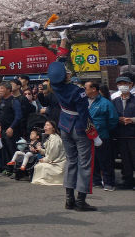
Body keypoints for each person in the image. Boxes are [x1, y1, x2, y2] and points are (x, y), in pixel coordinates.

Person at [48, 51, 101, 211]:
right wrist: (93, 133)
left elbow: (56, 68)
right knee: (84, 164)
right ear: (66, 76)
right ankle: (80, 200)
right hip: (79, 127)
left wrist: (63, 43)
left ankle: (69, 199)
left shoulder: (55, 86)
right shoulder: (78, 91)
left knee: (71, 162)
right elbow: (84, 115)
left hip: (64, 125)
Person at [85, 81, 118, 191]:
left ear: (94, 89)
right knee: (93, 160)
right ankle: (96, 181)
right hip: (88, 136)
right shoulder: (84, 102)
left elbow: (113, 120)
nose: (84, 90)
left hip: (102, 136)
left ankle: (109, 183)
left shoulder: (105, 103)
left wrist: (103, 129)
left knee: (105, 160)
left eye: (86, 88)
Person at [112, 75, 135, 190]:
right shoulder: (115, 101)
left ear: (131, 85)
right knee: (125, 159)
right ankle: (127, 181)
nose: (123, 86)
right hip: (120, 134)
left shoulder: (134, 100)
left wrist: (132, 120)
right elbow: (112, 116)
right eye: (120, 84)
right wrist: (119, 119)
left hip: (132, 134)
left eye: (125, 84)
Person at [0, 82, 23, 177]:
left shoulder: (14, 101)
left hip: (12, 130)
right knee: (4, 150)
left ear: (8, 90)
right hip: (2, 130)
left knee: (12, 150)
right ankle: (7, 169)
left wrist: (11, 127)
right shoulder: (2, 101)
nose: (0, 90)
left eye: (2, 88)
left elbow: (18, 116)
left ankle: (16, 170)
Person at [32, 121, 66, 186]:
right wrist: (40, 150)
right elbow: (49, 151)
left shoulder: (55, 139)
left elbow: (53, 155)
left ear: (53, 128)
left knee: (41, 166)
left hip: (58, 164)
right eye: (45, 125)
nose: (45, 127)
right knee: (38, 166)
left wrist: (44, 160)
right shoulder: (51, 137)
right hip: (53, 160)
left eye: (47, 125)